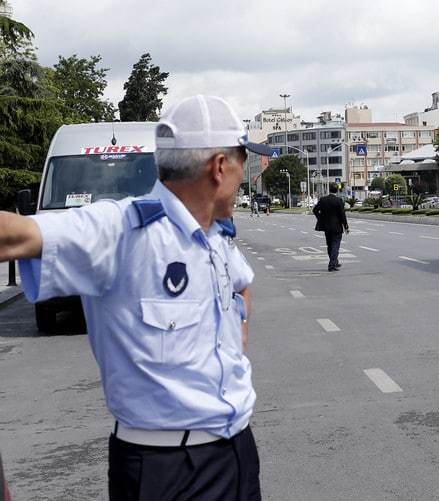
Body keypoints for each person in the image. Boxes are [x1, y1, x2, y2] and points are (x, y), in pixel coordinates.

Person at [0, 95, 271, 500]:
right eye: (243, 161)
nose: (244, 174)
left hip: (236, 451)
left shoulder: (217, 235)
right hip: (165, 469)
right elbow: (14, 235)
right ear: (219, 167)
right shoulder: (120, 229)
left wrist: (237, 336)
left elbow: (241, 286)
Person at [312, 183, 349, 272]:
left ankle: (334, 261)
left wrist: (320, 218)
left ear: (329, 189)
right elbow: (342, 215)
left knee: (330, 245)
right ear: (337, 190)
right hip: (337, 227)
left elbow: (315, 210)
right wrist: (346, 226)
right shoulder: (338, 200)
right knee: (335, 245)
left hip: (326, 227)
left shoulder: (323, 200)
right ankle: (332, 264)